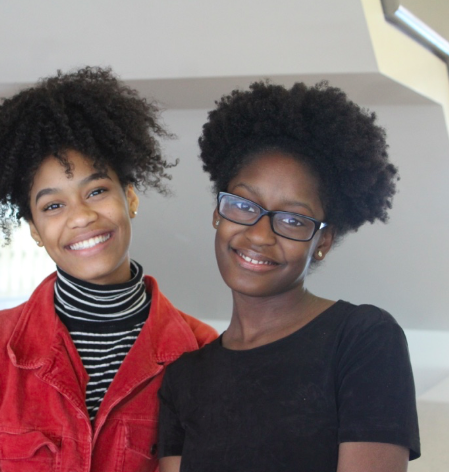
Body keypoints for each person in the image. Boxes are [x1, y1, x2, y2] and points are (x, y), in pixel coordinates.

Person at [0, 67, 217, 472]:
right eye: (53, 206)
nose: (80, 217)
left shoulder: (202, 353)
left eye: (96, 191)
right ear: (35, 231)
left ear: (130, 198)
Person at [158, 81, 420, 472]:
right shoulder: (184, 377)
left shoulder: (363, 341)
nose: (260, 235)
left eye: (293, 219)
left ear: (323, 240)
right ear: (218, 211)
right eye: (244, 205)